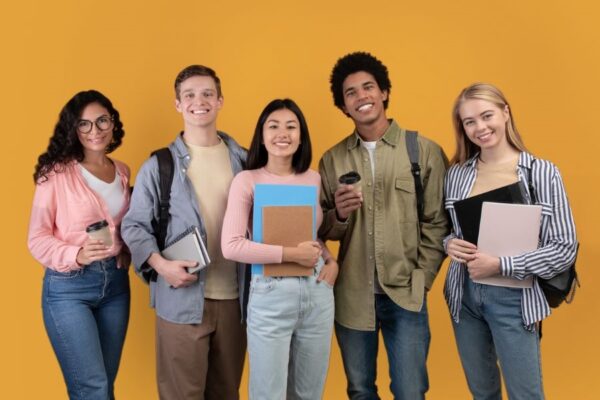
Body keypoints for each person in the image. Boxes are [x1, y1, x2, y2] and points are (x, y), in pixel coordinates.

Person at [318, 52, 449, 399]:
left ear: (385, 92)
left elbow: (437, 223)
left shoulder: (424, 152)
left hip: (406, 294)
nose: (362, 97)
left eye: (368, 87)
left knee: (411, 391)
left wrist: (422, 279)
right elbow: (320, 229)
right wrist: (340, 216)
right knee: (360, 390)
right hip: (351, 296)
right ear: (344, 107)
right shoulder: (332, 159)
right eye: (351, 93)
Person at [443, 82, 578, 399]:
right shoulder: (457, 174)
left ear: (505, 112)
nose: (480, 127)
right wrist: (449, 244)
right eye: (469, 121)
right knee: (482, 393)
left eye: (486, 115)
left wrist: (501, 264)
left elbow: (564, 248)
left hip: (514, 300)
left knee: (525, 394)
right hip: (464, 296)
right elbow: (447, 231)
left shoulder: (541, 172)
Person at [121, 65, 247, 400]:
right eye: (189, 95)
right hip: (181, 301)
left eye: (207, 93)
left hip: (237, 300)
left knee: (227, 393)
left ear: (220, 100)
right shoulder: (160, 165)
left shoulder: (246, 162)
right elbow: (133, 225)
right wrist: (161, 266)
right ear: (178, 104)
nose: (199, 101)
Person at [222, 98, 339, 399]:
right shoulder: (247, 180)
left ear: (302, 135)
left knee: (308, 394)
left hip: (316, 294)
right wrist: (290, 255)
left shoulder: (314, 179)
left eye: (291, 126)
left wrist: (330, 259)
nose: (282, 133)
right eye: (273, 126)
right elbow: (232, 245)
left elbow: (311, 236)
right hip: (270, 295)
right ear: (261, 135)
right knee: (268, 394)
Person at [28, 90, 131, 400]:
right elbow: (37, 238)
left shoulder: (123, 171)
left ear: (113, 123)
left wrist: (125, 249)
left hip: (115, 286)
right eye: (84, 124)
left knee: (104, 386)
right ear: (73, 129)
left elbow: (123, 226)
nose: (95, 131)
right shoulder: (56, 174)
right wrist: (77, 254)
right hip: (68, 289)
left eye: (101, 121)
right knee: (92, 389)